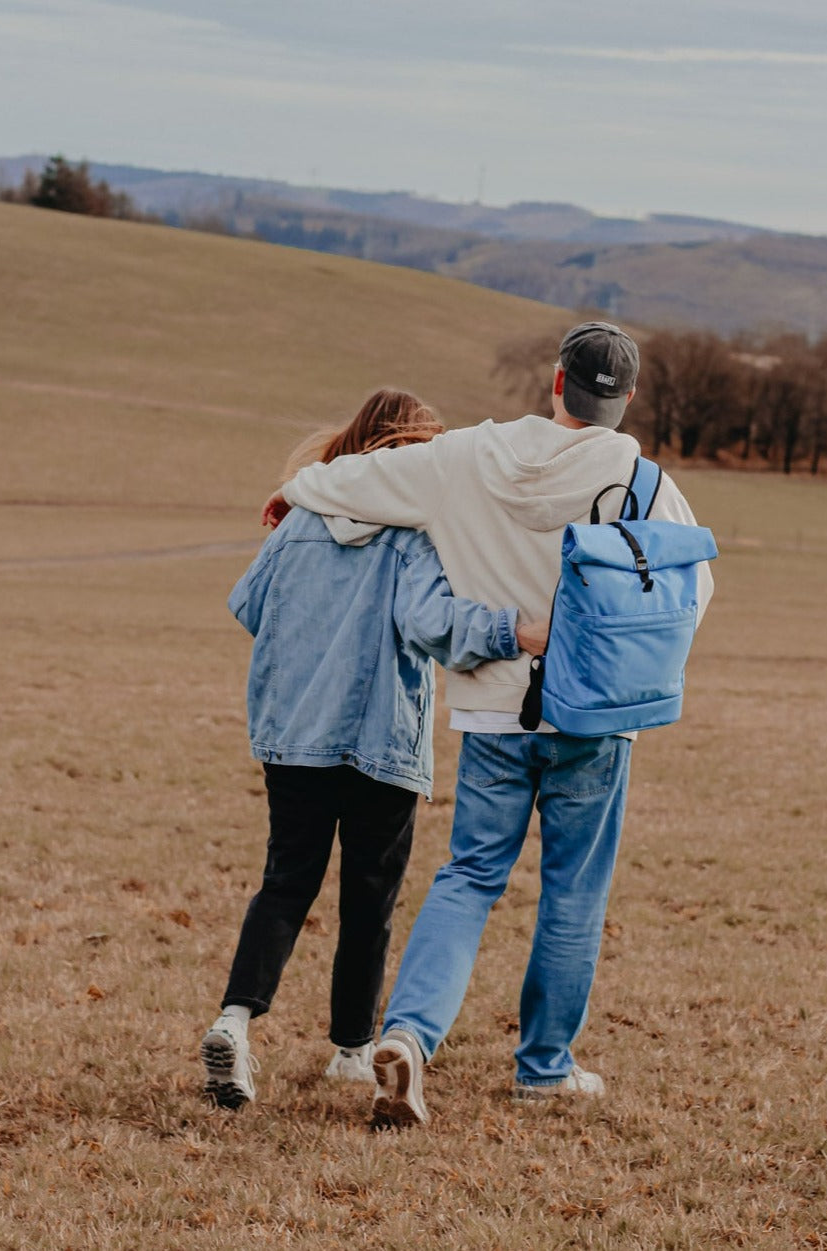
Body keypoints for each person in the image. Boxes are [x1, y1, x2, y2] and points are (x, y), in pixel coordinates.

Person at [262, 323, 714, 1125]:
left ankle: (407, 1035)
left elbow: (350, 479)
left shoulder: (465, 456)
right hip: (595, 721)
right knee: (573, 893)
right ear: (627, 398)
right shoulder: (645, 483)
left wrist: (295, 493)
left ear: (555, 381)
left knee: (468, 877)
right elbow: (692, 590)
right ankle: (544, 1067)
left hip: (493, 713)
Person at [202, 389, 534, 1111]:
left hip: (295, 735)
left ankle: (234, 1020)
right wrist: (513, 630)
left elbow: (249, 605)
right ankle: (352, 1049)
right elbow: (432, 625)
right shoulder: (416, 536)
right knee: (369, 900)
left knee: (285, 883)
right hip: (384, 740)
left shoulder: (297, 523)